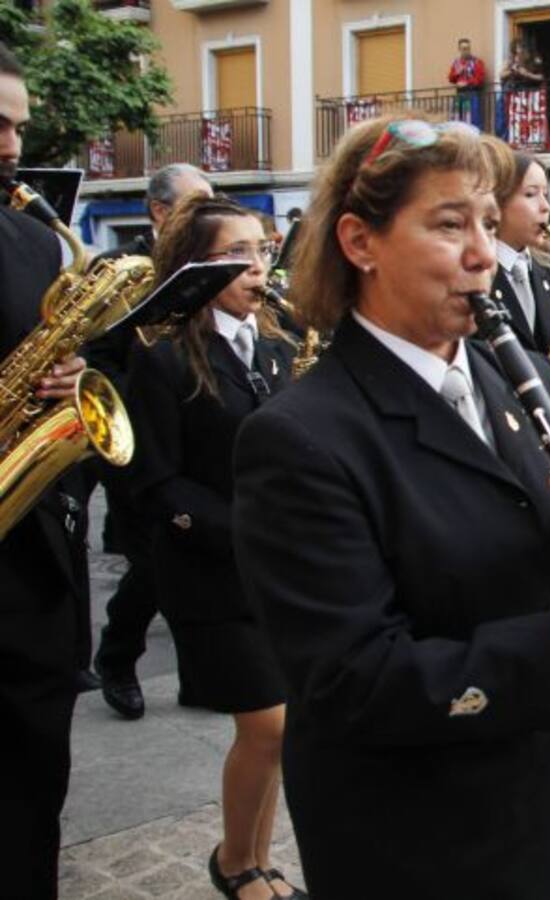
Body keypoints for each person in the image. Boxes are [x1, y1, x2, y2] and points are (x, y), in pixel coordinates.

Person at [232, 117, 550, 899]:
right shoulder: (299, 437)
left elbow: (520, 567)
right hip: (423, 840)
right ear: (359, 242)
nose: (484, 251)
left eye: (484, 219)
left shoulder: (527, 378)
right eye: (449, 224)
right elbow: (350, 681)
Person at [123, 193, 304, 899]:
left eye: (261, 250)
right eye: (237, 255)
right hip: (208, 573)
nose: (257, 267)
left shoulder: (277, 342)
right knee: (268, 726)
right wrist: (247, 532)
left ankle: (255, 859)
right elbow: (156, 483)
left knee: (278, 734)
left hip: (274, 573)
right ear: (193, 268)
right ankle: (235, 863)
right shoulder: (163, 357)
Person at [0, 40, 92, 899]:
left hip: (25, 553)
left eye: (17, 127)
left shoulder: (34, 242)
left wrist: (66, 375)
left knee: (32, 785)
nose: (11, 147)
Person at [87, 164, 215, 721]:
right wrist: (144, 391)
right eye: (195, 205)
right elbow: (94, 362)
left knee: (194, 553)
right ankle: (117, 657)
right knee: (153, 561)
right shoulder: (118, 269)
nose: (207, 216)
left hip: (196, 430)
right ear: (160, 212)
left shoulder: (205, 264)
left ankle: (203, 671)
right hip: (135, 436)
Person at [490, 152, 550, 354]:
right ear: (498, 201)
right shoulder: (475, 274)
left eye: (546, 194)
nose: (545, 207)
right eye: (531, 194)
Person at [500, 39, 547, 149]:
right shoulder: (511, 61)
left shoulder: (535, 59)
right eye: (517, 48)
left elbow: (541, 77)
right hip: (516, 93)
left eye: (521, 48)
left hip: (532, 92)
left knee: (533, 118)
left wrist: (526, 73)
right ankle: (517, 142)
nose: (519, 51)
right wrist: (512, 70)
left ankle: (534, 142)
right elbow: (501, 75)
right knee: (516, 119)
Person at [447, 37, 486, 129]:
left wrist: (467, 83)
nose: (466, 51)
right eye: (464, 49)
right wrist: (457, 73)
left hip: (472, 94)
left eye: (468, 48)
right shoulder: (456, 63)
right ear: (459, 49)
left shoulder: (477, 62)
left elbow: (480, 79)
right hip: (459, 94)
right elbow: (450, 78)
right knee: (458, 119)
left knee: (472, 120)